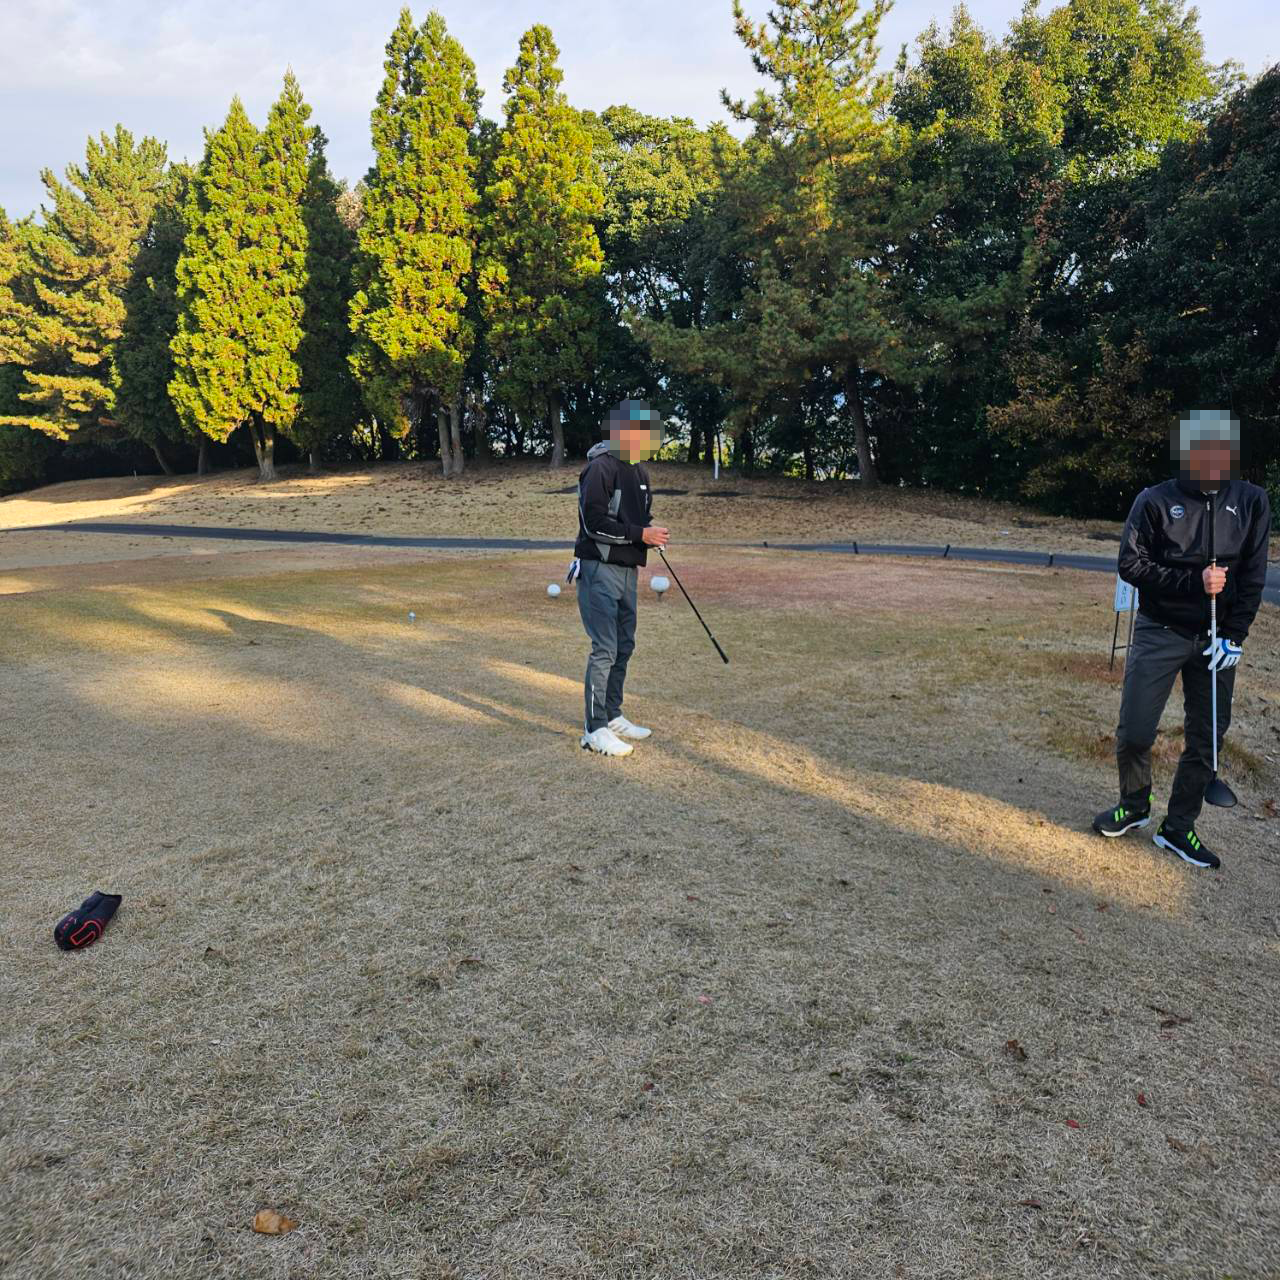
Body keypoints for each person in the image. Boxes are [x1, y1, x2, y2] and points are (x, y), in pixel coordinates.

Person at [1093, 410, 1271, 868]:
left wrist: (1235, 636)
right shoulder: (1154, 500)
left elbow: (1253, 576)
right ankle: (1134, 805)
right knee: (1135, 731)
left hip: (1217, 640)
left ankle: (1177, 827)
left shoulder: (1252, 501)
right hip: (1161, 630)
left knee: (1207, 740)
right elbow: (1131, 564)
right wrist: (1194, 582)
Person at [569, 400, 670, 757]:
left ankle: (612, 715)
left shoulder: (639, 472)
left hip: (628, 570)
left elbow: (638, 519)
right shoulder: (600, 467)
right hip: (599, 567)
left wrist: (651, 533)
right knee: (605, 649)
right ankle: (594, 729)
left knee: (624, 645)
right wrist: (641, 534)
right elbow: (593, 524)